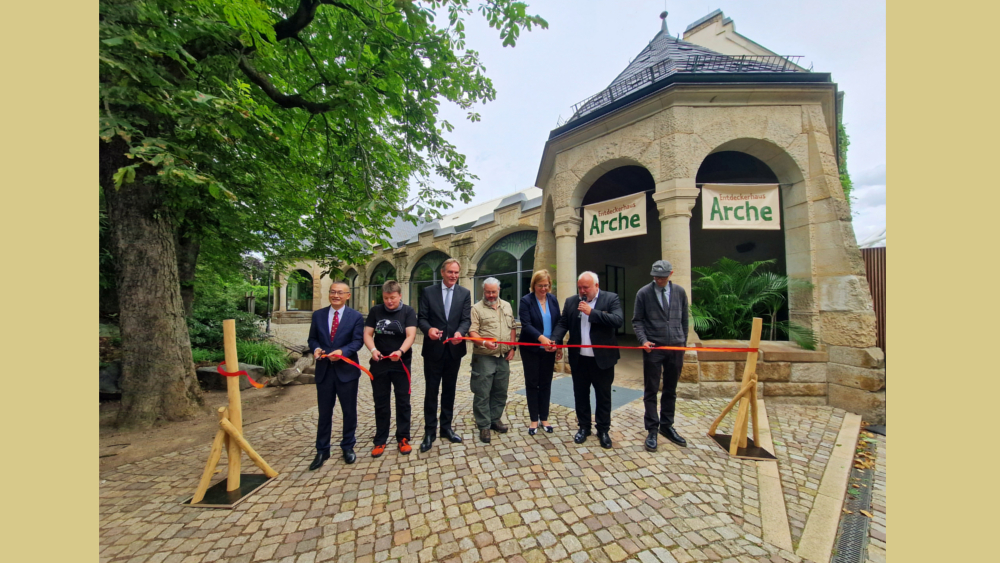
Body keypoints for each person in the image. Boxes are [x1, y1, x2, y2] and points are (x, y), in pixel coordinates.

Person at [549, 271, 624, 449]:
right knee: (581, 395)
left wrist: (592, 313)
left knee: (603, 396)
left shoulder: (610, 298)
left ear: (596, 286)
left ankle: (603, 430)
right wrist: (555, 340)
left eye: (586, 287)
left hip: (603, 359)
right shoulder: (571, 302)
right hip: (579, 359)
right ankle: (584, 427)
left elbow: (618, 320)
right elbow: (563, 323)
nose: (582, 291)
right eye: (580, 287)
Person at [306, 281, 366, 469]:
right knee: (324, 412)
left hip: (346, 372)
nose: (336, 295)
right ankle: (322, 450)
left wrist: (342, 352)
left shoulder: (355, 317)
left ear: (348, 295)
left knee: (349, 411)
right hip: (324, 372)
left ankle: (348, 446)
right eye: (333, 292)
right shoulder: (318, 315)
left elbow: (357, 341)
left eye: (340, 292)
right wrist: (316, 349)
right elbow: (312, 339)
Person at [632, 259, 690, 451]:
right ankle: (652, 429)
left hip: (676, 348)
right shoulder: (643, 293)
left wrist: (682, 342)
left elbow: (684, 319)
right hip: (653, 348)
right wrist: (643, 340)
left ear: (670, 274)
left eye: (662, 277)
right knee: (651, 390)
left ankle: (667, 425)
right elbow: (637, 320)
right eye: (656, 277)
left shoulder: (680, 292)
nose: (659, 280)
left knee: (670, 389)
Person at [417, 257, 472, 453]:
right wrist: (429, 330)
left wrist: (460, 333)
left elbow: (466, 320)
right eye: (450, 272)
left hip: (454, 350)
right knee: (431, 391)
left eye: (456, 272)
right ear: (442, 272)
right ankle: (429, 431)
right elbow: (421, 318)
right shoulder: (428, 292)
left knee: (449, 390)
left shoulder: (465, 293)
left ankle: (446, 428)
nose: (453, 276)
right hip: (433, 349)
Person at [364, 280, 418, 457]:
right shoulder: (375, 311)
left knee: (403, 401)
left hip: (401, 363)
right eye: (386, 298)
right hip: (379, 363)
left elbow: (411, 335)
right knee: (381, 402)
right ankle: (380, 439)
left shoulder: (408, 311)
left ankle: (403, 437)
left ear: (400, 296)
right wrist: (373, 350)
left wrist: (401, 351)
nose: (389, 301)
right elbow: (367, 334)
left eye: (393, 298)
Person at [468, 277, 517, 444]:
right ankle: (484, 425)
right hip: (484, 357)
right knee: (482, 392)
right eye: (488, 292)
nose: (490, 295)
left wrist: (512, 347)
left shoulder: (507, 306)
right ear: (483, 291)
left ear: (499, 290)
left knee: (500, 390)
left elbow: (513, 327)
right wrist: (484, 342)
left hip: (503, 357)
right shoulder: (476, 309)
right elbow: (472, 332)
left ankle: (495, 419)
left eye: (493, 292)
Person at [518, 269, 563, 435]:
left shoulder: (553, 300)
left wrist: (557, 345)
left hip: (549, 349)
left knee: (546, 383)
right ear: (534, 285)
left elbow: (558, 323)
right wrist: (541, 338)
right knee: (532, 383)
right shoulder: (526, 301)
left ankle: (544, 417)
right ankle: (533, 420)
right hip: (531, 349)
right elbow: (526, 324)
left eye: (546, 285)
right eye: (540, 285)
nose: (543, 289)